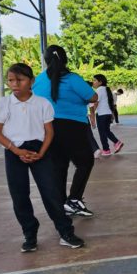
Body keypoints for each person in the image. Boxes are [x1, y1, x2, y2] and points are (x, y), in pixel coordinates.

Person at [0, 63, 85, 252]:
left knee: (51, 192)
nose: (15, 84)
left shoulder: (42, 103)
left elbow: (49, 131)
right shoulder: (3, 104)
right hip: (14, 150)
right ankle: (30, 234)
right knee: (19, 195)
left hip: (39, 149)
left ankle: (65, 232)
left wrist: (41, 152)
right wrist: (17, 151)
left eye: (20, 80)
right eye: (11, 80)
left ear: (31, 81)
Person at [33, 45, 97, 218]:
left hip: (48, 127)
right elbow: (93, 97)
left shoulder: (38, 80)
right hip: (73, 126)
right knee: (85, 162)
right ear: (65, 59)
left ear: (46, 61)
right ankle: (74, 199)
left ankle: (61, 203)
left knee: (59, 166)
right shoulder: (72, 78)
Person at [92, 74, 123, 156]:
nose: (93, 82)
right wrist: (112, 114)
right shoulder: (106, 89)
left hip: (102, 114)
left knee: (102, 132)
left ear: (100, 82)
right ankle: (113, 145)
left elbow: (96, 102)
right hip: (107, 113)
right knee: (106, 131)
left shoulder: (99, 90)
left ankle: (107, 149)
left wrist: (92, 113)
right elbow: (110, 103)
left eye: (95, 80)